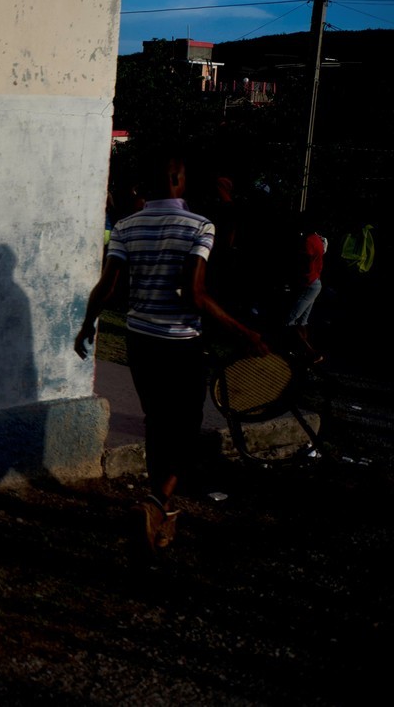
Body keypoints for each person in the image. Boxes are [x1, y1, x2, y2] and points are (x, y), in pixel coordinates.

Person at [75, 153, 265, 552]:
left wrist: (86, 325)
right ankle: (159, 501)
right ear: (181, 181)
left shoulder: (127, 226)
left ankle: (160, 505)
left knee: (157, 420)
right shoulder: (200, 226)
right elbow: (195, 294)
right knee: (184, 425)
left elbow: (107, 287)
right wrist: (243, 331)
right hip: (179, 342)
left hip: (139, 339)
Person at [285, 218, 326, 364]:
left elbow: (306, 263)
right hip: (316, 282)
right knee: (302, 321)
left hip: (309, 283)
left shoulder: (308, 241)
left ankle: (311, 353)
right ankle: (302, 352)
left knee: (290, 321)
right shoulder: (318, 240)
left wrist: (300, 278)